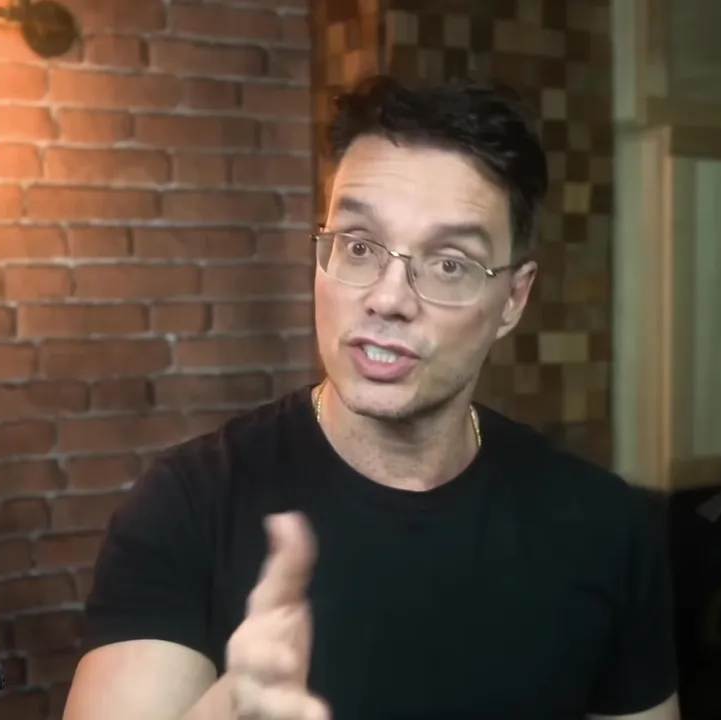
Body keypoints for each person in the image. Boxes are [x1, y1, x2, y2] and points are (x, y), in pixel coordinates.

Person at [64, 75, 679, 720]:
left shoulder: (606, 529)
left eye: (449, 263)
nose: (387, 298)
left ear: (513, 300)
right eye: (358, 246)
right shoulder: (188, 505)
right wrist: (227, 712)